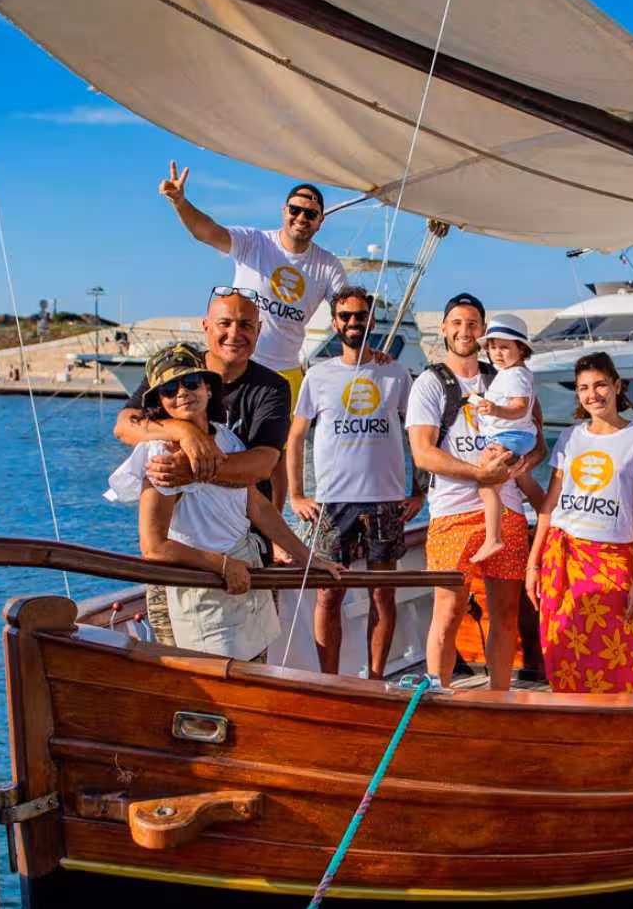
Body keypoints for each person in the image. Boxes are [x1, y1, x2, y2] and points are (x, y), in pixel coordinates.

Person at [107, 344, 341, 658]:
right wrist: (223, 565)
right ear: (159, 401)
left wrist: (309, 558)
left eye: (190, 383)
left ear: (207, 387)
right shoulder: (160, 454)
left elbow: (257, 507)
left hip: (244, 574)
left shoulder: (228, 439)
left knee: (256, 670)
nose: (182, 393)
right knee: (219, 691)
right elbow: (154, 548)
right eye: (169, 389)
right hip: (202, 586)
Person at [112, 289, 292, 643]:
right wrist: (183, 431)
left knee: (256, 657)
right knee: (185, 667)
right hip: (183, 564)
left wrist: (193, 468)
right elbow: (124, 425)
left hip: (248, 547)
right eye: (224, 323)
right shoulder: (176, 370)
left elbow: (262, 465)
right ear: (206, 326)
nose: (234, 334)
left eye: (245, 325)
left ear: (259, 330)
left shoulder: (271, 387)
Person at [407, 292, 543, 691]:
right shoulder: (430, 384)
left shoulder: (505, 375)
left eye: (472, 324)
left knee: (505, 614)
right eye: (456, 323)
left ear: (484, 331)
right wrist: (478, 475)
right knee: (447, 612)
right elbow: (422, 453)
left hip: (508, 510)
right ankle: (438, 697)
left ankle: (499, 697)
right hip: (451, 512)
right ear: (444, 329)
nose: (464, 331)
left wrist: (523, 464)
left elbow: (537, 441)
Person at [285, 286, 423, 678]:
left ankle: (376, 679)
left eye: (360, 316)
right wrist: (296, 495)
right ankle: (330, 680)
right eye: (345, 316)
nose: (353, 323)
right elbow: (295, 437)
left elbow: (418, 433)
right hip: (333, 503)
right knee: (329, 594)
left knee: (382, 593)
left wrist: (418, 490)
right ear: (334, 322)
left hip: (386, 500)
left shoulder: (394, 372)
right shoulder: (319, 375)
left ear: (371, 321)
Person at [158, 162, 349, 407]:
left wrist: (367, 354)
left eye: (310, 214)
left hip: (285, 375)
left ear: (320, 221)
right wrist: (180, 202)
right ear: (284, 211)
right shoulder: (254, 243)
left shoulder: (328, 265)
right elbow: (205, 231)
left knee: (277, 445)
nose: (301, 217)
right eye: (295, 210)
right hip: (234, 365)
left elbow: (347, 312)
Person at [525, 353, 633, 694]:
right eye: (583, 388)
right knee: (562, 649)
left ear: (617, 386)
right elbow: (550, 505)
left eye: (600, 384)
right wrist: (533, 563)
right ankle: (569, 724)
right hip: (563, 558)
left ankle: (612, 726)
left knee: (615, 650)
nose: (592, 394)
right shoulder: (570, 437)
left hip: (613, 559)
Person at [469, 314, 539, 564]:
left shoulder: (515, 375)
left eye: (505, 347)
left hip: (511, 437)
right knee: (504, 484)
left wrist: (496, 411)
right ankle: (543, 517)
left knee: (488, 487)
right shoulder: (511, 373)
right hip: (512, 436)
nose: (497, 353)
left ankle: (493, 538)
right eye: (493, 347)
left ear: (521, 349)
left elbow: (519, 407)